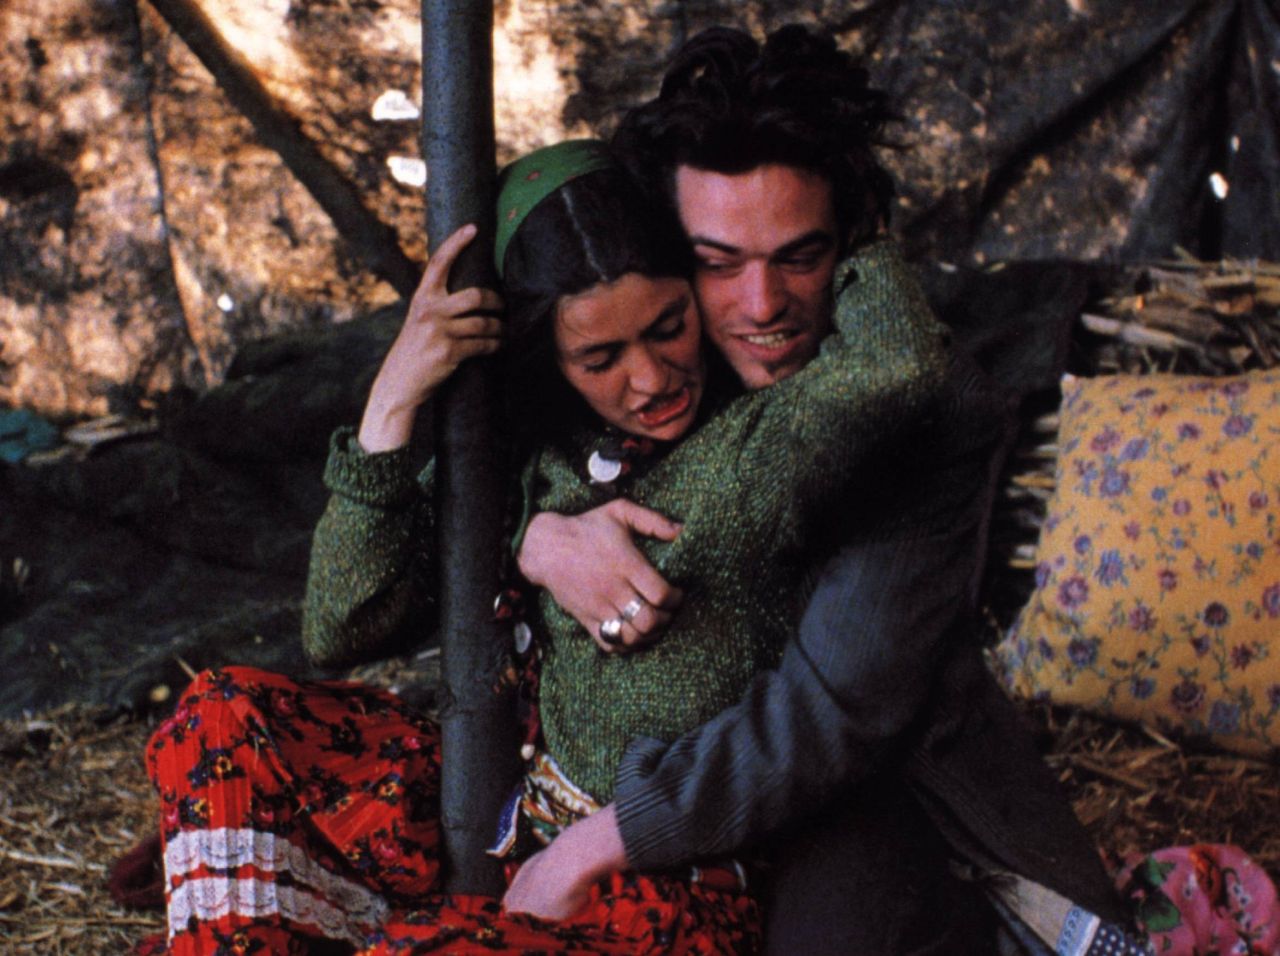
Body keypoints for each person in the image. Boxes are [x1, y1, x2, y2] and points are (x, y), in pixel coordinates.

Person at [144, 137, 948, 954]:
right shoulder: (535, 459)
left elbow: (902, 364)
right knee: (219, 717)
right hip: (505, 813)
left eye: (669, 328)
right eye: (600, 358)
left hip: (655, 885)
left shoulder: (758, 451)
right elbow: (341, 624)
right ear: (546, 358)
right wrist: (394, 400)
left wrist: (856, 224)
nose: (651, 379)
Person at [501, 25, 1136, 954]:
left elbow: (832, 711)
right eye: (718, 262)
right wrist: (541, 538)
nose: (762, 308)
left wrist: (591, 846)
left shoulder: (918, 409)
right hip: (677, 781)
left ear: (854, 246)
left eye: (800, 256)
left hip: (878, 796)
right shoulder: (664, 361)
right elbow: (504, 468)